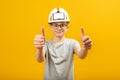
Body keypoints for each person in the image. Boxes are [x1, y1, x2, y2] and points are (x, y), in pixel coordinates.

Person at [34, 8, 92, 80]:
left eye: (62, 25)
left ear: (67, 27)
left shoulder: (73, 43)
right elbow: (40, 59)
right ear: (51, 27)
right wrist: (39, 48)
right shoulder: (46, 44)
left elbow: (81, 55)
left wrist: (85, 47)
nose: (59, 28)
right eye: (55, 25)